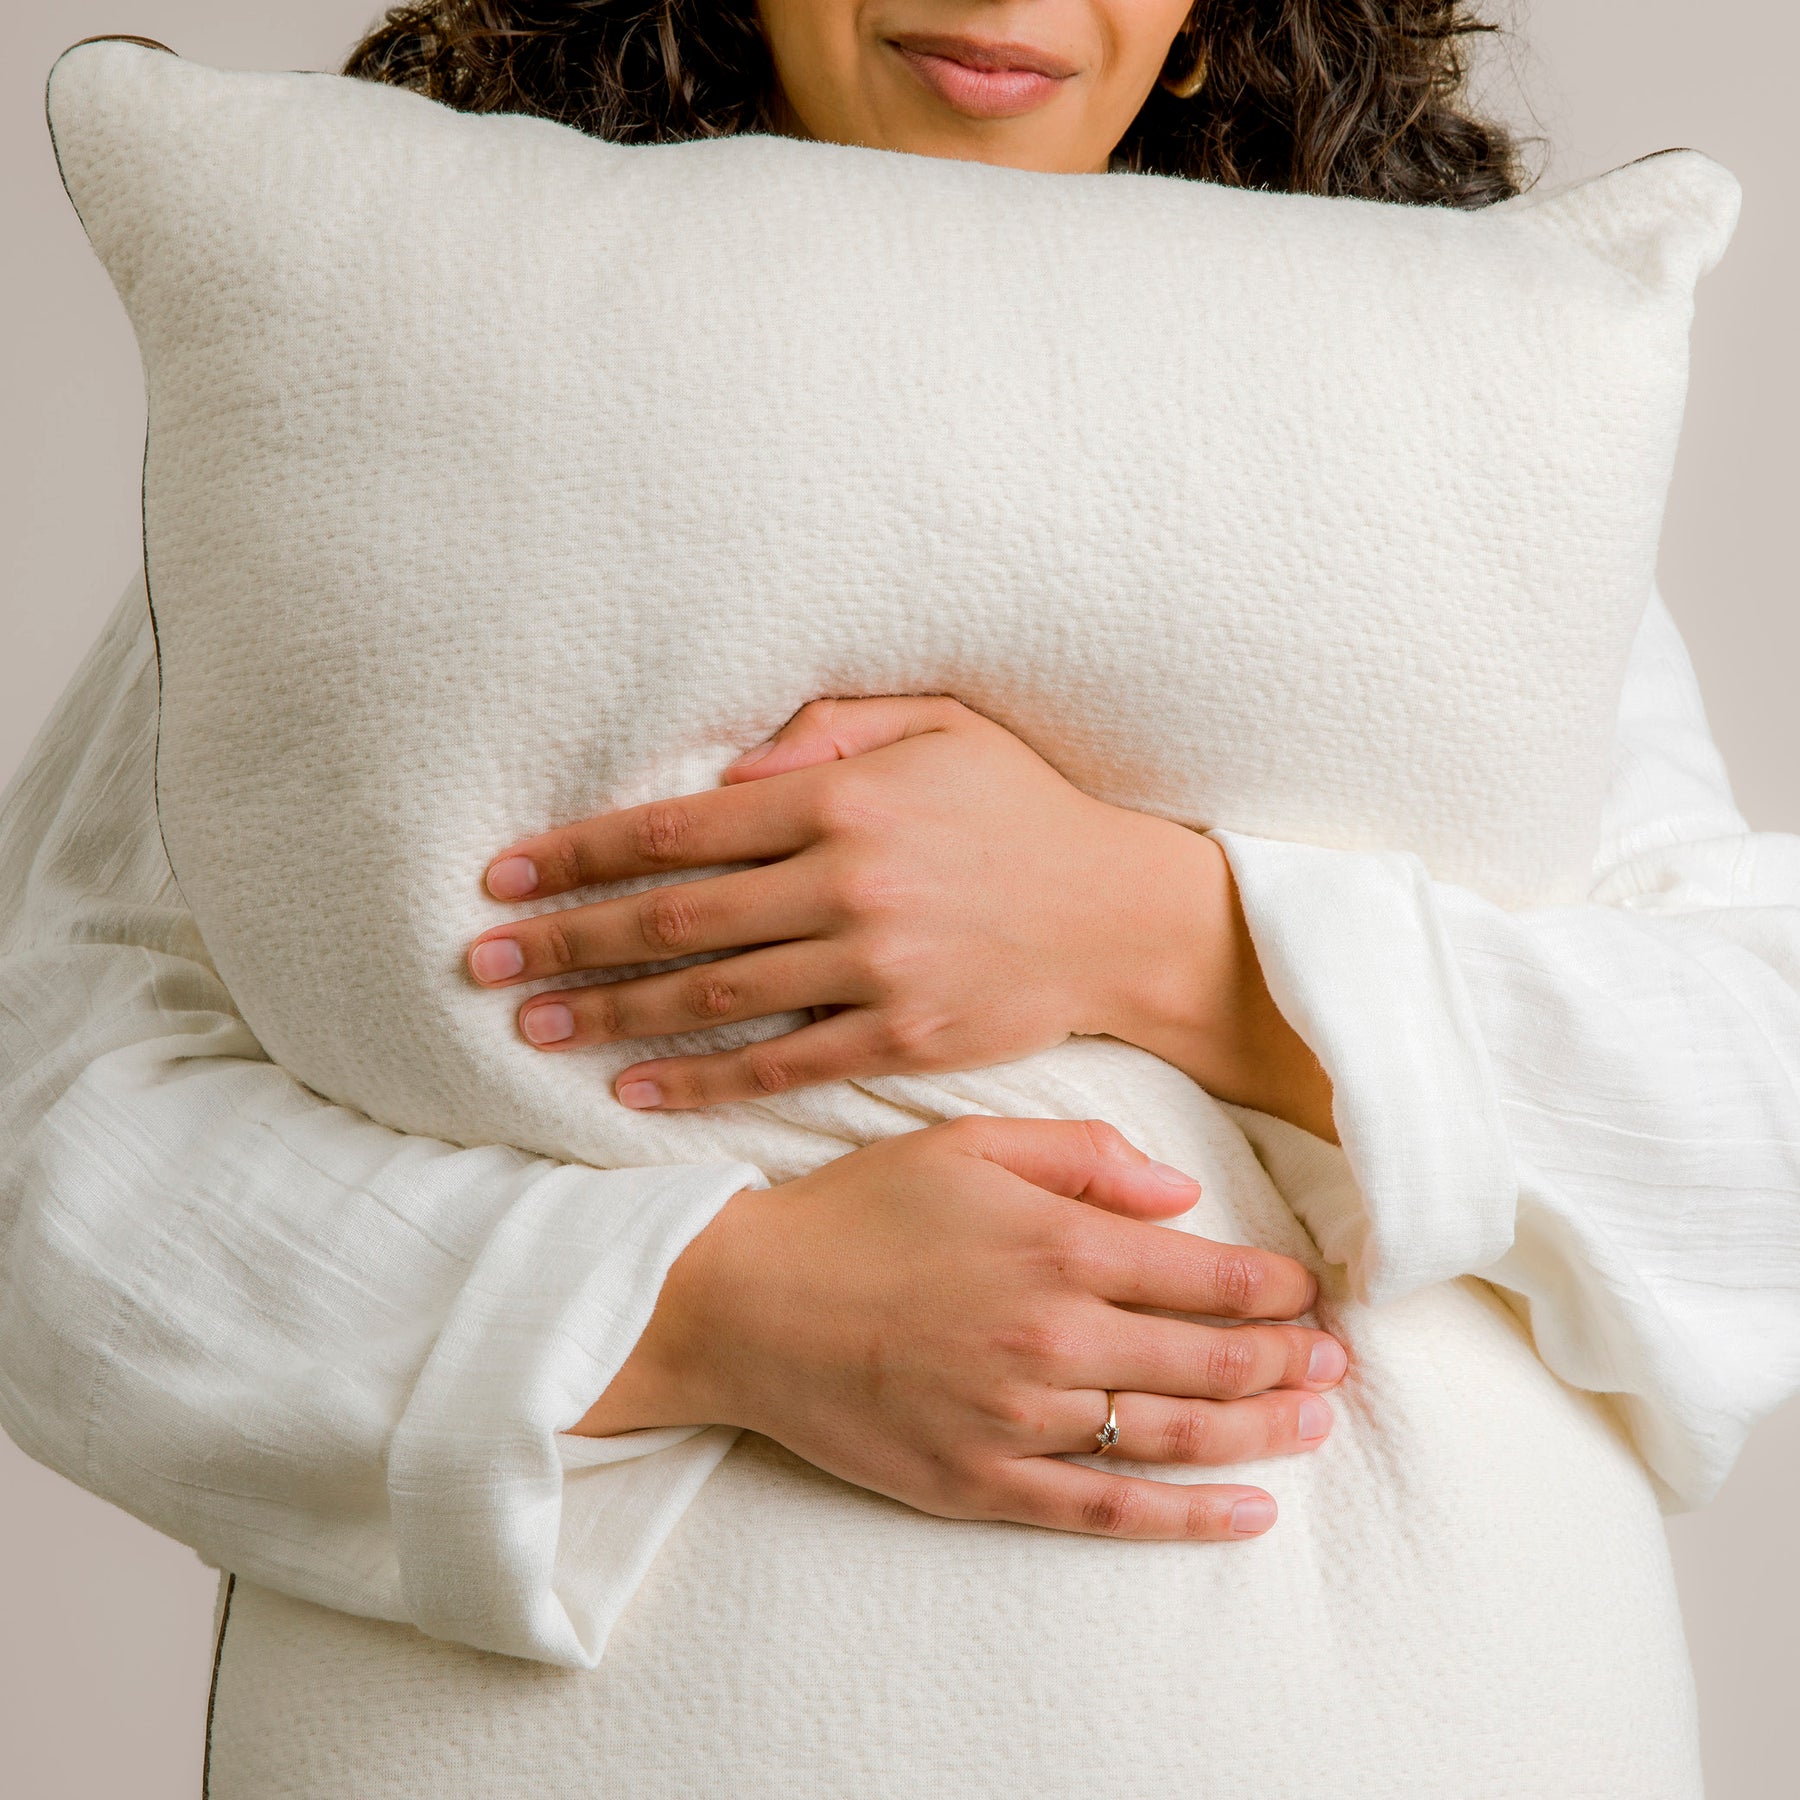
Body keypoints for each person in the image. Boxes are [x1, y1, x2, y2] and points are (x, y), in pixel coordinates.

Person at [2, 0, 1797, 1793]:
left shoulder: (1445, 467)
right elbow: (44, 1119)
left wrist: (1158, 932)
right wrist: (703, 1309)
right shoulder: (413, 423)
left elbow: (1759, 1111)